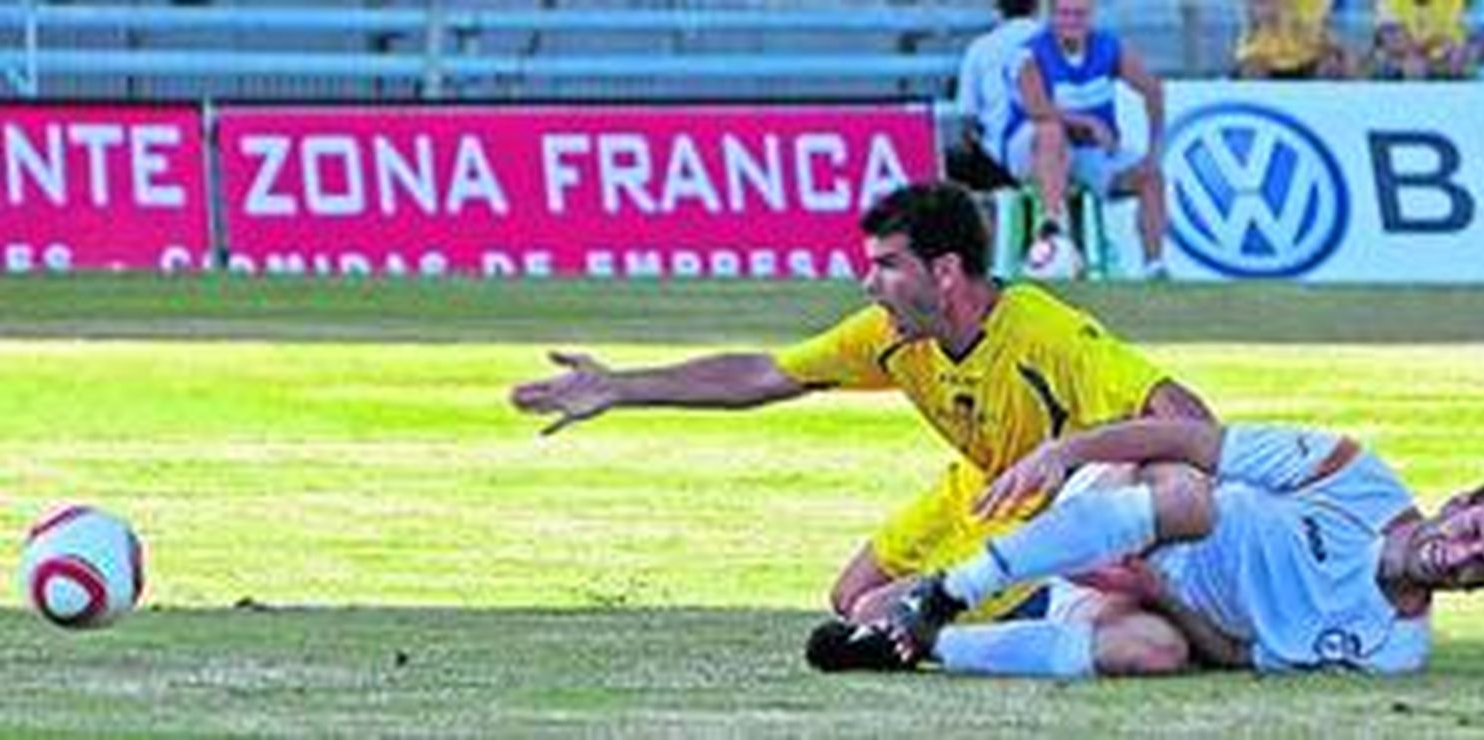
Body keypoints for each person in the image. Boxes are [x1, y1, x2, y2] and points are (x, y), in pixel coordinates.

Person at [510, 181, 1212, 626]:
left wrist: (1094, 474)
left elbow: (1190, 419)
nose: (866, 284)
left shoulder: (1044, 333)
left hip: (1046, 518)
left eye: (884, 265)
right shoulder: (888, 335)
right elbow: (763, 376)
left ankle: (1077, 595)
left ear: (943, 274)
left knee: (879, 616)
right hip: (977, 492)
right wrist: (620, 386)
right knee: (851, 597)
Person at [809, 419, 1484, 679]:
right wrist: (1064, 454)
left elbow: (1235, 658)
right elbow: (1187, 441)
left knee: (1157, 653)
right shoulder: (1350, 472)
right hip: (1125, 506)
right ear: (1456, 503)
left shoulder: (1393, 649)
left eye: (1479, 566)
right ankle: (948, 591)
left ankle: (922, 646)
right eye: (1469, 531)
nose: (1458, 555)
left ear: (1480, 589)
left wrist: (1156, 592)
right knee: (1194, 501)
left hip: (1135, 587)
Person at [1000, 0, 1170, 281]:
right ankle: (1053, 225)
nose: (1072, 21)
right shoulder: (1029, 53)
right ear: (1051, 16)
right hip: (1032, 149)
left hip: (1089, 152)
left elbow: (1152, 90)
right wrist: (1088, 122)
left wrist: (1154, 150)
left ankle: (1154, 265)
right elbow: (1037, 108)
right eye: (1065, 14)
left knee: (1151, 176)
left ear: (1091, 17)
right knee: (1051, 132)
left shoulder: (1108, 47)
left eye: (1079, 14)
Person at [946, 0, 1042, 192]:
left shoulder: (980, 48)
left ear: (998, 9)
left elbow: (967, 116)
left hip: (997, 165)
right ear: (1037, 6)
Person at [1234, 0, 1357, 79]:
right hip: (1263, 54)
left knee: (1335, 65)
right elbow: (1261, 13)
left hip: (1310, 54)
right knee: (1252, 71)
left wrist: (1336, 50)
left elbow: (1328, 24)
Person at [1371, 0, 1476, 79]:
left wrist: (1436, 57)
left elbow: (1455, 38)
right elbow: (1388, 34)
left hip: (1439, 59)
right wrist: (1410, 55)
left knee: (1461, 60)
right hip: (1401, 58)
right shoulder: (1390, 3)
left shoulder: (1453, 2)